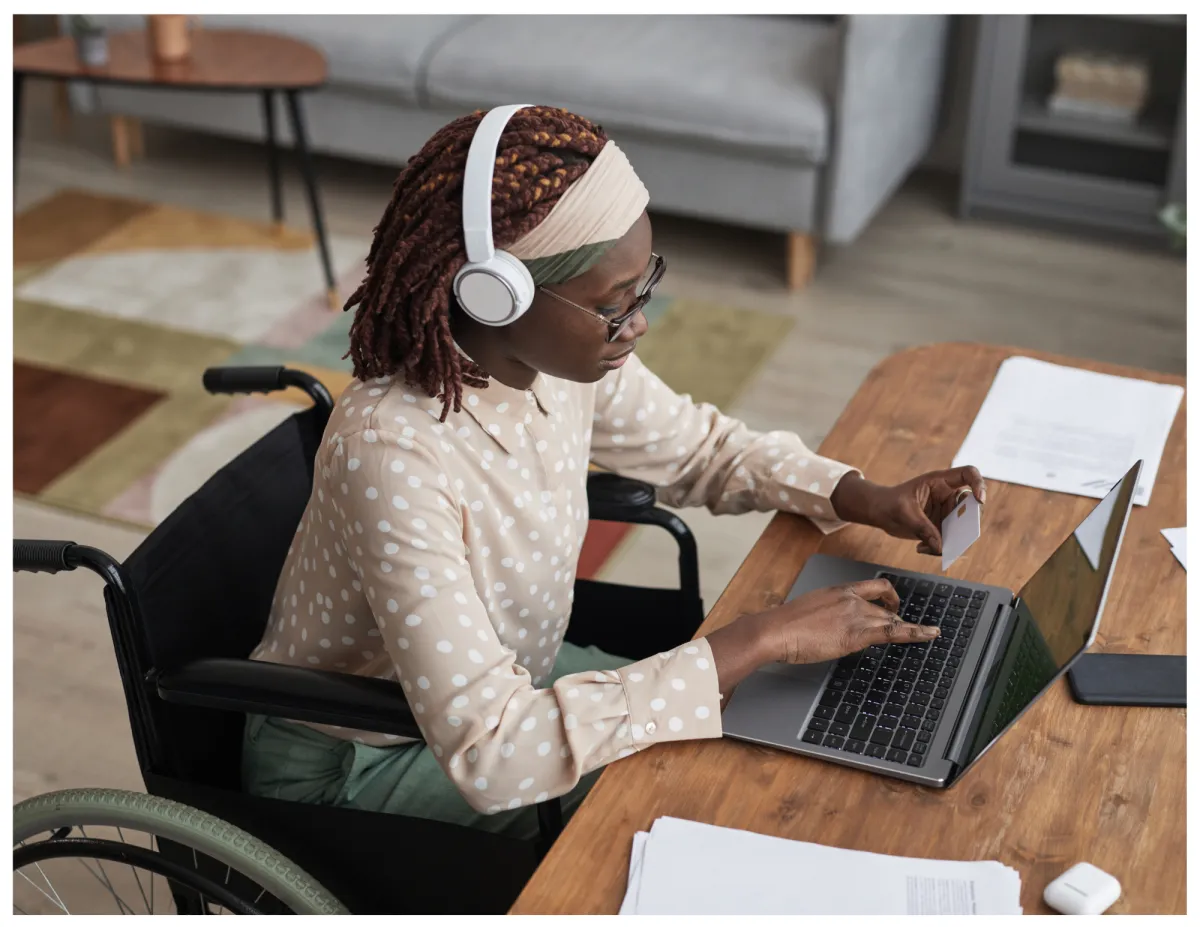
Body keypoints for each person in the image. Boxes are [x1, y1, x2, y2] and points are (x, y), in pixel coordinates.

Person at [242, 105, 985, 840]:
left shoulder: (560, 366)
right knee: (715, 779)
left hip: (506, 684)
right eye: (611, 306)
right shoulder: (393, 450)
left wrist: (864, 496)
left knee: (757, 716)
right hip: (359, 765)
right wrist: (756, 640)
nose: (638, 324)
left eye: (644, 289)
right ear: (494, 294)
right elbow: (493, 750)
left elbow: (702, 448)